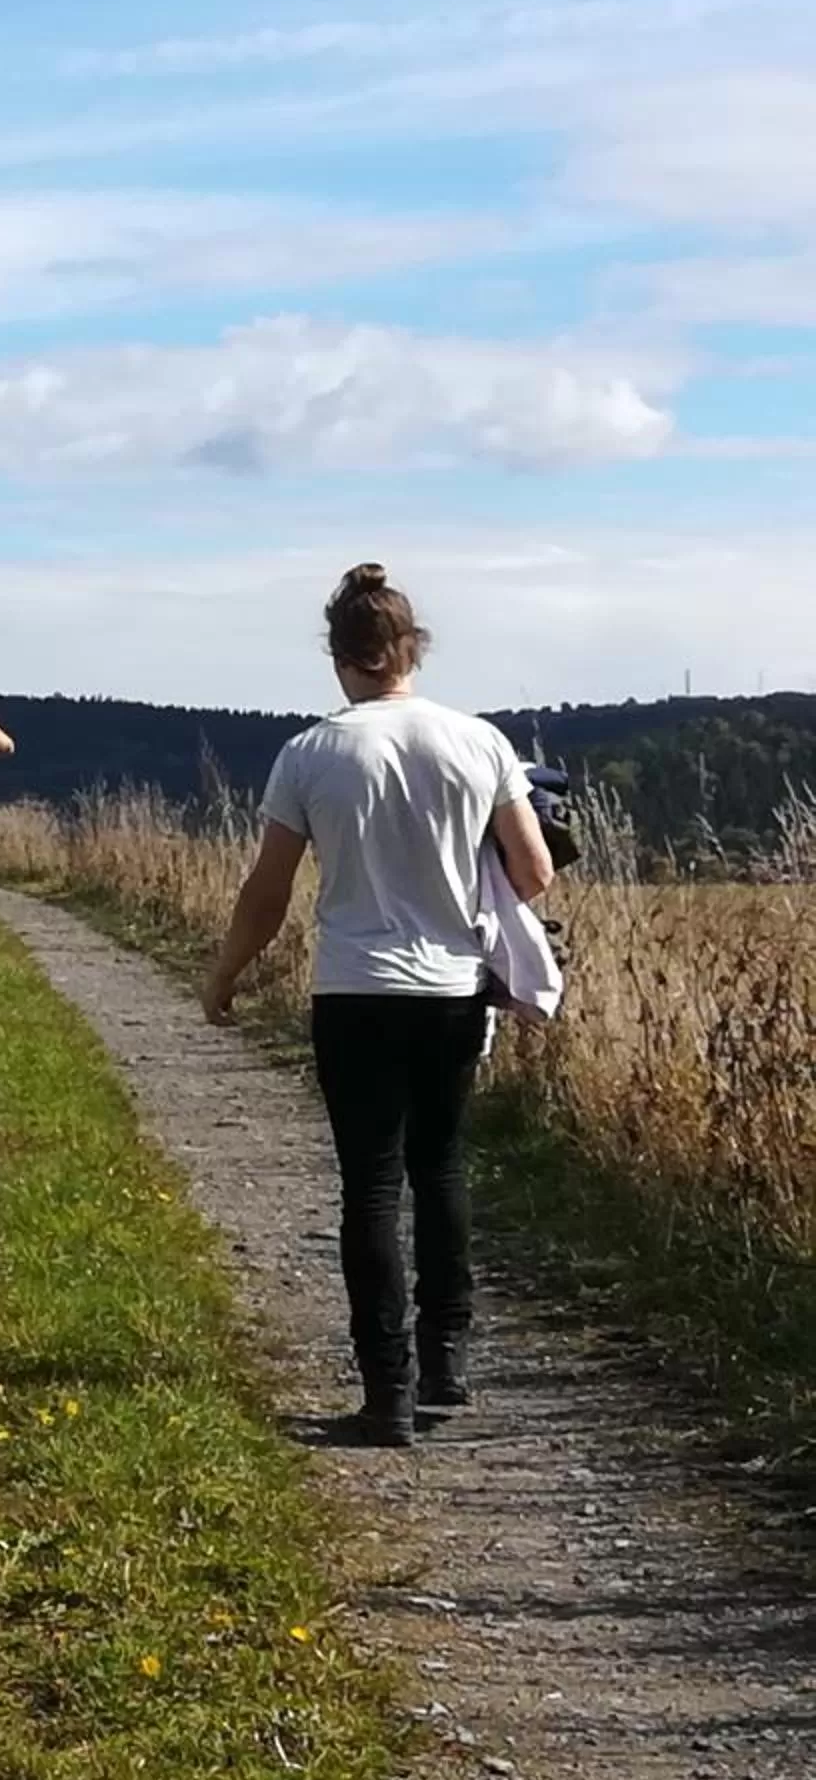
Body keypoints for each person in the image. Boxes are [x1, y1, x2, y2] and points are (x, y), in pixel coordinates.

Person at [201, 565, 556, 1448]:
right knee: (442, 1170)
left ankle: (386, 1392)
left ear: (338, 657)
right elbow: (535, 872)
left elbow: (267, 893)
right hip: (451, 991)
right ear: (411, 649)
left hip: (354, 991)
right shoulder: (480, 742)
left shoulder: (310, 753)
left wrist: (226, 974)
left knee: (370, 1185)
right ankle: (448, 1362)